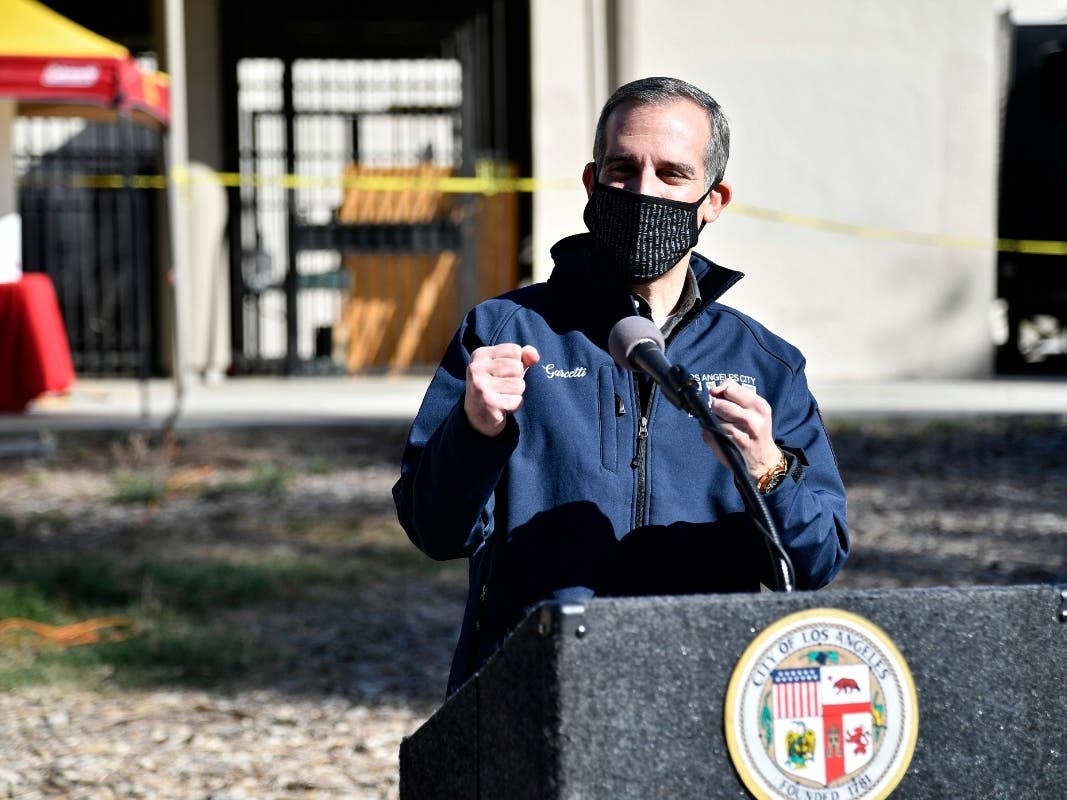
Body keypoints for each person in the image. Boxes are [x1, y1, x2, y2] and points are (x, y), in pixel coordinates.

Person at [393, 76, 850, 696]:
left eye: (671, 174)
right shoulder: (505, 332)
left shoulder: (764, 362)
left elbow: (814, 563)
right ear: (591, 182)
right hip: (534, 691)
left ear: (713, 199)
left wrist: (768, 470)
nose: (643, 191)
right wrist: (475, 432)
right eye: (622, 169)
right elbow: (435, 530)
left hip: (705, 693)